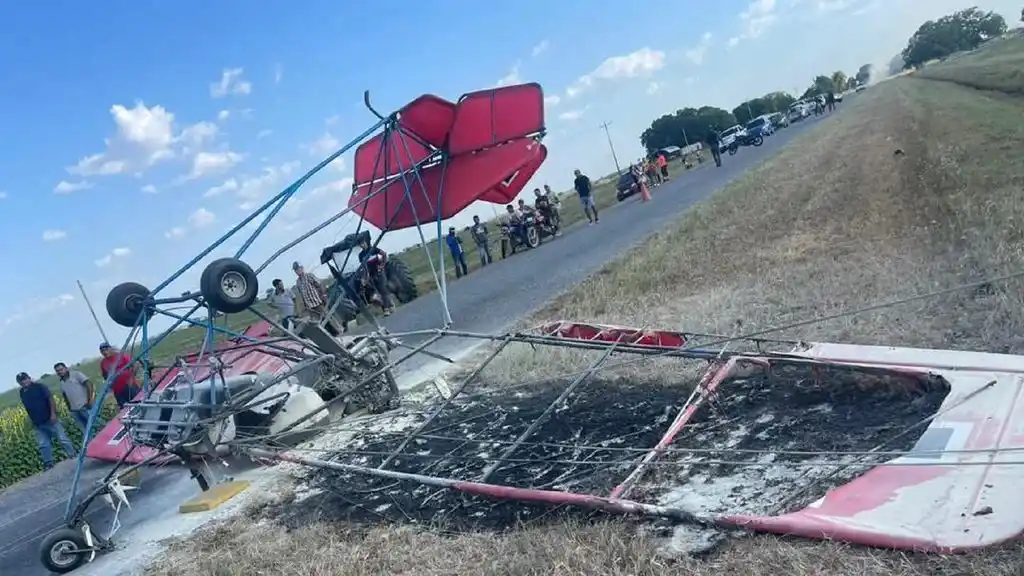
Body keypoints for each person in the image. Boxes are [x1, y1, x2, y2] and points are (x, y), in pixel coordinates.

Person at [18, 372, 78, 470]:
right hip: (37, 422)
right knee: (43, 444)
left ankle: (73, 454)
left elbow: (50, 399)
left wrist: (53, 414)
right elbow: (27, 407)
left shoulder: (39, 387)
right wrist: (31, 420)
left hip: (49, 418)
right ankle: (48, 463)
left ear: (29, 378)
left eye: (25, 379)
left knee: (62, 438)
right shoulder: (22, 392)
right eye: (21, 381)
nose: (23, 382)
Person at [357, 235, 395, 316]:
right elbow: (364, 267)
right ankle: (387, 306)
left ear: (366, 242)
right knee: (377, 292)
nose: (362, 245)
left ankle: (387, 308)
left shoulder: (373, 249)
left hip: (379, 272)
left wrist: (382, 265)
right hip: (371, 275)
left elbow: (384, 254)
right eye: (360, 244)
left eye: (363, 243)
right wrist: (364, 278)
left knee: (383, 289)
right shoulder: (361, 256)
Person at [55, 362, 94, 435]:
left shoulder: (76, 374)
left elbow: (89, 384)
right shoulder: (61, 382)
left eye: (61, 369)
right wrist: (69, 408)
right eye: (57, 371)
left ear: (66, 368)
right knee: (86, 431)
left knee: (96, 424)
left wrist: (90, 400)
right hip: (75, 411)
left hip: (85, 406)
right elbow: (65, 395)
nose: (60, 372)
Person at [99, 343, 141, 408]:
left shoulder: (121, 356)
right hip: (117, 391)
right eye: (102, 351)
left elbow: (135, 365)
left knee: (137, 403)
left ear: (110, 349)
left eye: (106, 349)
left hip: (129, 386)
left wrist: (131, 378)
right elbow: (105, 375)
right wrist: (110, 385)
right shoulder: (103, 363)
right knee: (124, 408)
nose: (105, 352)